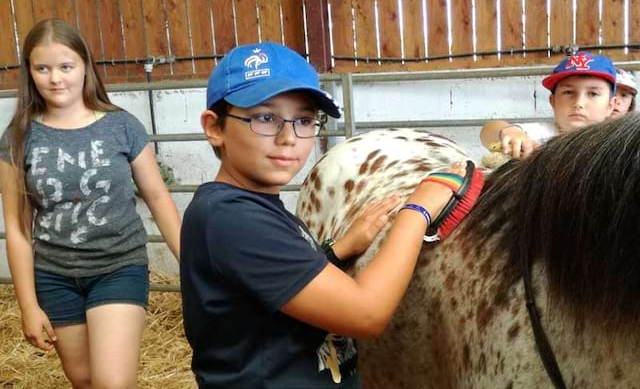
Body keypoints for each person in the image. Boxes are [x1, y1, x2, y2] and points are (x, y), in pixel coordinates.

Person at [180, 42, 465, 388]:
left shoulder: (253, 207)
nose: (289, 138)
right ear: (215, 127)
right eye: (266, 118)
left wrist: (338, 249)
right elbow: (367, 314)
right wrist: (417, 210)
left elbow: (275, 284)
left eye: (303, 120)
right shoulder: (230, 218)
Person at [0, 19, 181, 388]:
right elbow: (18, 227)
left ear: (85, 66)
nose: (55, 78)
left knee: (111, 383)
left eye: (66, 66)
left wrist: (192, 265)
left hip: (118, 266)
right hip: (54, 275)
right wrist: (28, 305)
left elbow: (158, 196)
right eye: (42, 68)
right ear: (29, 72)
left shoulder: (122, 126)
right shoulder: (19, 137)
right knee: (83, 380)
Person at [480, 51, 616, 159]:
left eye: (593, 94)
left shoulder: (618, 145)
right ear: (553, 101)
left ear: (610, 106)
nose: (578, 103)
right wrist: (510, 132)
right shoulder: (537, 136)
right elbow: (487, 132)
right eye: (568, 92)